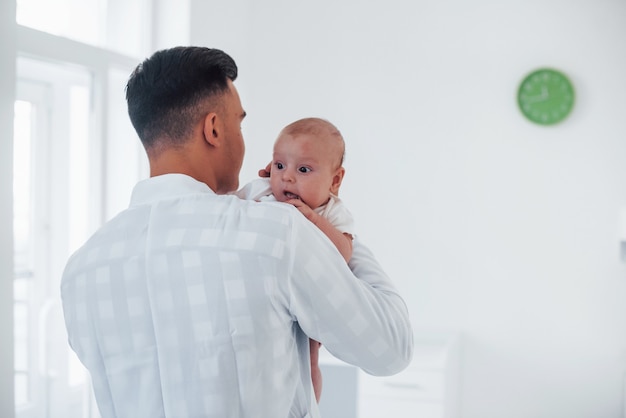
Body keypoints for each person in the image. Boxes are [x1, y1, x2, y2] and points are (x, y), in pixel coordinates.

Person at [60, 46, 413, 418]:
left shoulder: (81, 270)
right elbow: (391, 347)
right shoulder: (278, 234)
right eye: (238, 124)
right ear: (213, 129)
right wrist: (330, 221)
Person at [236, 117, 354, 402]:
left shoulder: (331, 212)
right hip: (265, 294)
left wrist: (311, 218)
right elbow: (229, 211)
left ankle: (308, 405)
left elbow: (345, 251)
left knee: (308, 358)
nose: (287, 177)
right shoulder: (262, 190)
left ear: (335, 180)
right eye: (279, 165)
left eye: (303, 169)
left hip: (310, 296)